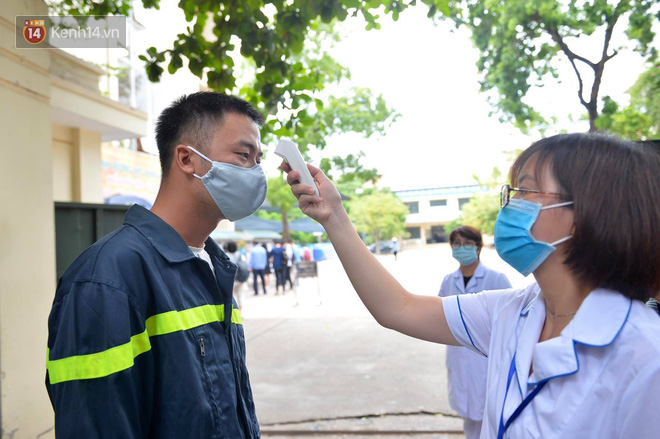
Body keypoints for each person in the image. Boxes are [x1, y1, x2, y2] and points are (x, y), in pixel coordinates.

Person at [283, 132, 660, 438]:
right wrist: (334, 216)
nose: (509, 206)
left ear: (587, 214)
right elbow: (398, 308)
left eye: (525, 192)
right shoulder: (514, 311)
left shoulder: (647, 360)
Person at [46, 92, 266, 438]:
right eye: (243, 155)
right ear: (187, 159)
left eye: (258, 159)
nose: (255, 172)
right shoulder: (107, 279)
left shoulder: (211, 266)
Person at [439, 226, 511, 439]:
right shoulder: (448, 280)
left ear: (478, 248)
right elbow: (441, 316)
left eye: (468, 244)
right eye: (457, 244)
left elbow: (509, 321)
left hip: (486, 359)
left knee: (491, 414)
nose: (462, 249)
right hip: (459, 358)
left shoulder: (496, 278)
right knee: (470, 418)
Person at [225, 240, 248, 310]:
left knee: (231, 297)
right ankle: (240, 313)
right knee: (240, 296)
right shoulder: (240, 255)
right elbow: (246, 265)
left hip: (231, 280)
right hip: (241, 279)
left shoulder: (226, 256)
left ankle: (232, 314)